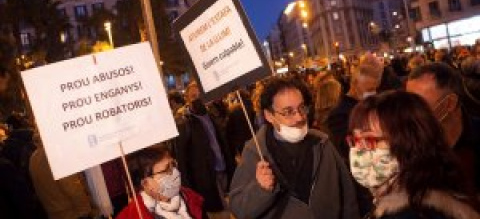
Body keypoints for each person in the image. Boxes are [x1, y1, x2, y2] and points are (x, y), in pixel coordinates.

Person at [229, 76, 359, 219]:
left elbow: (348, 196)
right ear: (269, 115)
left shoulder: (323, 143)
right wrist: (260, 189)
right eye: (288, 112)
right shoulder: (255, 151)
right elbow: (239, 209)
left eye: (301, 108)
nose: (299, 118)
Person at [347, 90, 480, 218]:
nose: (358, 150)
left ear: (408, 142)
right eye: (355, 140)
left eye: (370, 139)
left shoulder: (413, 212)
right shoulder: (433, 196)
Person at [406, 62, 480, 195]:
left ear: (450, 103)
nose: (412, 113)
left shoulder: (475, 137)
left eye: (420, 105)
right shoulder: (409, 146)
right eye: (409, 103)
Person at [174, 81, 235, 219]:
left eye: (200, 95)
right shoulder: (184, 123)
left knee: (230, 205)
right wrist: (187, 185)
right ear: (188, 99)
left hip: (224, 170)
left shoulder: (212, 114)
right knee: (221, 212)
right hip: (206, 176)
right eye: (194, 96)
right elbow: (182, 158)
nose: (197, 99)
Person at [116, 145, 203, 219]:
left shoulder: (189, 196)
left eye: (173, 165)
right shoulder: (132, 215)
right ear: (146, 183)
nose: (175, 172)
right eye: (166, 170)